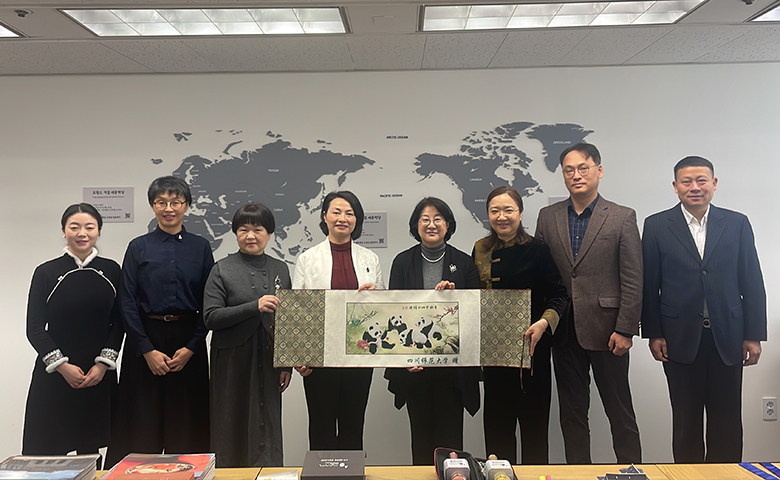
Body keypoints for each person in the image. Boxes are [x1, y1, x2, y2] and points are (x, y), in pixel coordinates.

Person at [641, 156, 766, 463]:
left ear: (714, 183)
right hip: (678, 337)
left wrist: (753, 334)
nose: (694, 187)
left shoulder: (737, 223)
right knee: (685, 422)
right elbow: (649, 286)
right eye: (686, 182)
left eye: (701, 180)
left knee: (727, 420)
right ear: (675, 186)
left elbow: (751, 280)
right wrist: (653, 333)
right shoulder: (656, 225)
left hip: (729, 336)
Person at [535, 143, 642, 464]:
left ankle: (631, 471)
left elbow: (634, 278)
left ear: (599, 170)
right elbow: (542, 275)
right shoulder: (548, 217)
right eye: (569, 170)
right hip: (564, 331)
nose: (576, 175)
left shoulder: (622, 217)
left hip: (609, 332)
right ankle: (578, 472)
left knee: (619, 412)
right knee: (572, 414)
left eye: (583, 168)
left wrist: (626, 329)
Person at [108, 176, 214, 465]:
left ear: (187, 206)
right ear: (153, 206)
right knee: (141, 420)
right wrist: (146, 349)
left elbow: (210, 300)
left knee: (188, 422)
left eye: (176, 202)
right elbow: (126, 301)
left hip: (187, 337)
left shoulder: (201, 247)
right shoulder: (138, 246)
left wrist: (192, 346)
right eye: (161, 202)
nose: (169, 208)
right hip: (145, 337)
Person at [473, 186, 569, 465]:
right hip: (493, 356)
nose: (502, 217)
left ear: (520, 213)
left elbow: (559, 294)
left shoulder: (537, 248)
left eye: (508, 210)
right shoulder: (480, 249)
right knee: (497, 430)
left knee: (535, 430)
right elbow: (473, 295)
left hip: (533, 351)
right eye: (495, 211)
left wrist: (544, 323)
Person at [384, 197, 481, 465]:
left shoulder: (464, 263)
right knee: (421, 440)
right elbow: (395, 313)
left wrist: (455, 297)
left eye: (438, 218)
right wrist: (405, 358)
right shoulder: (402, 262)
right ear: (416, 225)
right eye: (424, 219)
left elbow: (475, 313)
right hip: (416, 371)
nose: (431, 224)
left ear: (448, 224)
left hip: (453, 370)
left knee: (451, 444)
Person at [23, 203, 123, 459]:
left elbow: (119, 323)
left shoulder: (112, 270)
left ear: (98, 231)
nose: (82, 233)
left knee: (92, 452)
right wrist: (61, 366)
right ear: (64, 230)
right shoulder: (46, 272)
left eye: (89, 227)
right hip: (55, 376)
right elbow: (34, 327)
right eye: (74, 227)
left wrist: (103, 365)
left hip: (98, 375)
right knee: (48, 451)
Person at [292, 191, 383, 451]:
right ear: (324, 216)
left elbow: (382, 309)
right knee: (320, 425)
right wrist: (300, 354)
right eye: (336, 212)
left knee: (353, 424)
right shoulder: (307, 258)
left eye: (350, 213)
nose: (343, 218)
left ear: (357, 219)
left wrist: (374, 297)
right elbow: (297, 311)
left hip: (359, 354)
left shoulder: (370, 259)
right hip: (319, 356)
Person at [204, 203, 292, 467]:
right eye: (243, 229)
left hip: (268, 359)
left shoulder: (281, 268)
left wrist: (286, 363)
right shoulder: (222, 268)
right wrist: (254, 306)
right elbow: (210, 317)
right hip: (231, 360)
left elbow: (287, 321)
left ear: (269, 233)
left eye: (258, 229)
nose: (250, 235)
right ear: (235, 233)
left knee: (268, 423)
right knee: (230, 421)